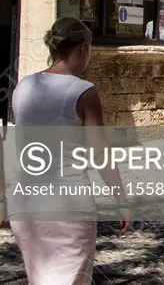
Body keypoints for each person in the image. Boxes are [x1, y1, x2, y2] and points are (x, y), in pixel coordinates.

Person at [5, 17, 132, 284]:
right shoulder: (84, 91)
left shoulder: (23, 86)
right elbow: (100, 153)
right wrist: (121, 201)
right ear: (83, 49)